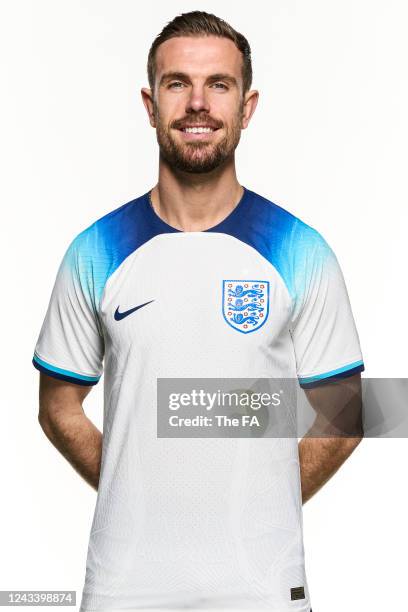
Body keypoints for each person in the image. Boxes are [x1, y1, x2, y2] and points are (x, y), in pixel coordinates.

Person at [33, 10, 364, 612]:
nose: (198, 104)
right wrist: (132, 487)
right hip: (123, 589)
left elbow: (345, 416)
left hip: (263, 589)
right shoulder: (95, 251)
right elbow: (57, 407)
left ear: (248, 105)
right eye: (177, 83)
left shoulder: (300, 250)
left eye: (219, 84)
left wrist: (266, 499)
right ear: (149, 102)